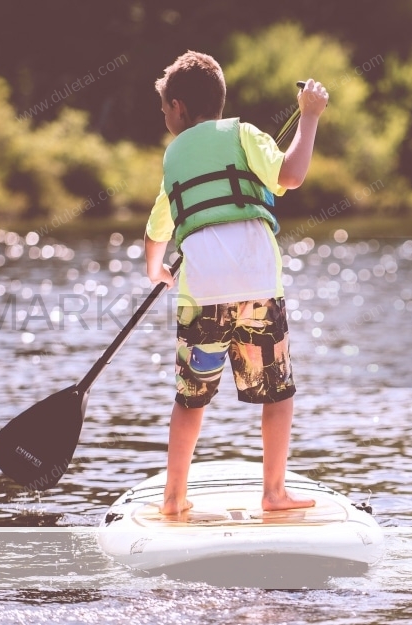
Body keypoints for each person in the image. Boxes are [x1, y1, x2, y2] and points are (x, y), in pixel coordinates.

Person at [143, 50, 328, 516]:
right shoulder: (245, 134)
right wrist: (308, 119)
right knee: (277, 393)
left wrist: (155, 270)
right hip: (259, 289)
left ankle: (173, 498)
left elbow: (157, 230)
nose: (164, 115)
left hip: (201, 294)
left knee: (190, 400)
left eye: (165, 107)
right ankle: (274, 493)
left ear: (179, 107)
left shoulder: (173, 157)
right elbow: (292, 174)